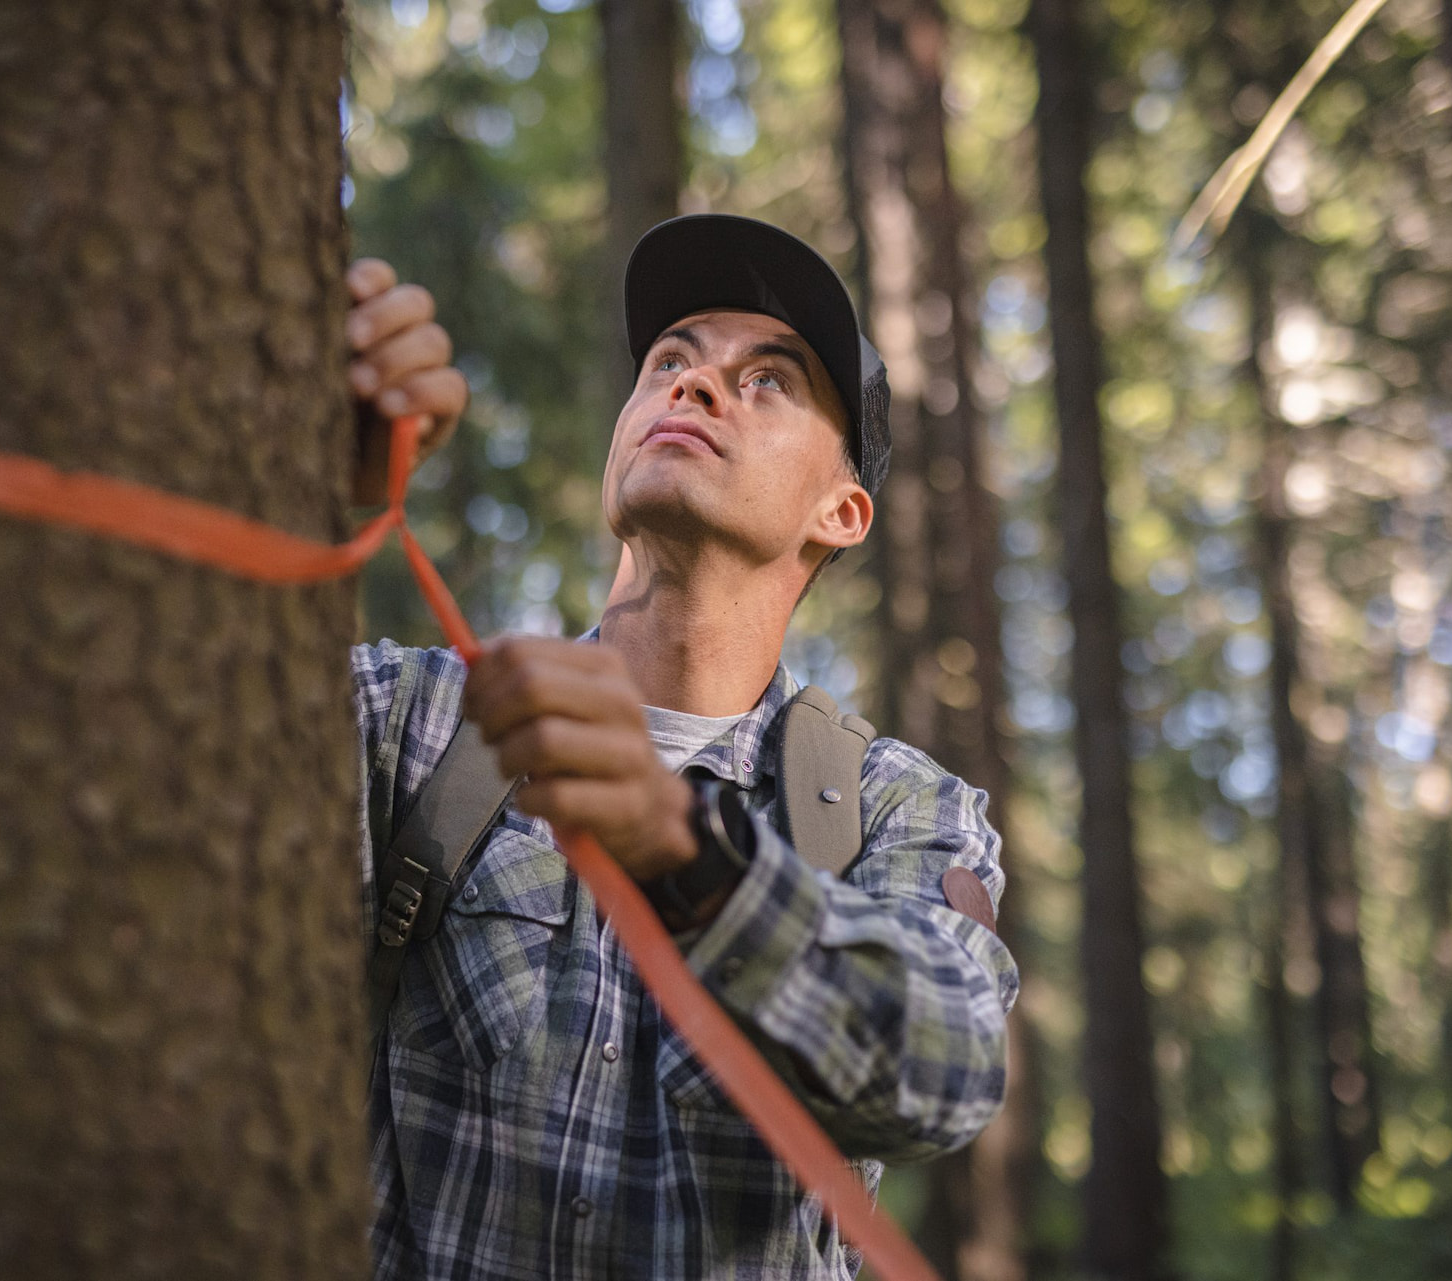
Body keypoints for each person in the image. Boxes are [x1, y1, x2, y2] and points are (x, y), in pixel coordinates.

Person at [342, 214, 1018, 1280]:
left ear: (841, 513)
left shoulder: (895, 808)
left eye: (770, 382)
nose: (694, 387)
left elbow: (947, 1067)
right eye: (672, 360)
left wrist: (684, 848)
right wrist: (301, 482)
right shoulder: (413, 719)